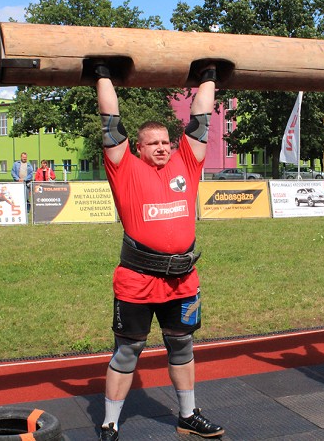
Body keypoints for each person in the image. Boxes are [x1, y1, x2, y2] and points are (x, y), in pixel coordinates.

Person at [94, 62, 224, 441]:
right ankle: (110, 422)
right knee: (128, 350)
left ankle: (188, 414)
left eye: (167, 141)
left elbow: (200, 121)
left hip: (183, 279)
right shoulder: (125, 168)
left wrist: (210, 77)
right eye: (154, 143)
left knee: (182, 343)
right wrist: (102, 74)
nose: (163, 147)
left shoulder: (186, 162)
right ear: (139, 147)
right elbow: (110, 123)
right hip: (137, 279)